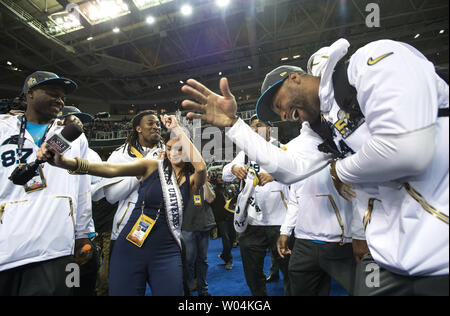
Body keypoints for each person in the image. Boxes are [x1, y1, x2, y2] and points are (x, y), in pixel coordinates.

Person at [181, 38, 449, 295]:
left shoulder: (371, 62)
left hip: (441, 257)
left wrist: (339, 170)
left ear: (294, 78)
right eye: (278, 115)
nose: (284, 116)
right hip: (390, 260)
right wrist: (234, 125)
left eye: (279, 105)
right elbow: (287, 168)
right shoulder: (321, 128)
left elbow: (409, 151)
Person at [37, 114, 207, 296]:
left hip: (167, 250)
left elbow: (202, 168)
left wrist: (177, 129)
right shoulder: (151, 165)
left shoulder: (190, 182)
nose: (173, 152)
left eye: (179, 149)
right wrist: (66, 163)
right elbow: (110, 170)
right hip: (131, 244)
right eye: (169, 148)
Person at [0, 71, 93, 296]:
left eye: (62, 97)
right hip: (6, 246)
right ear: (29, 94)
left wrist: (83, 232)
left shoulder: (72, 136)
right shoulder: (3, 129)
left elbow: (82, 188)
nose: (59, 100)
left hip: (55, 246)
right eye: (52, 93)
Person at [277, 129, 356, 296]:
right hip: (304, 243)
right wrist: (285, 231)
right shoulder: (291, 148)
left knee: (367, 288)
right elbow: (295, 198)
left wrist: (362, 235)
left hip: (342, 242)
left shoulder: (347, 140)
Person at [222, 114, 291, 296]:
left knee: (290, 271)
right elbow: (224, 174)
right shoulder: (245, 152)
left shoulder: (282, 148)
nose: (254, 130)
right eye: (251, 127)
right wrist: (233, 168)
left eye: (258, 125)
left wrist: (276, 175)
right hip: (251, 224)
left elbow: (297, 172)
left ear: (269, 127)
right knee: (252, 273)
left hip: (280, 222)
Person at [94, 110, 164, 258]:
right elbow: (112, 197)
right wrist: (138, 174)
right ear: (138, 128)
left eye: (158, 124)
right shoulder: (120, 155)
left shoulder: (169, 153)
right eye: (150, 123)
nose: (156, 127)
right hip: (128, 227)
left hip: (163, 225)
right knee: (126, 279)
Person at [182, 180, 216, 296]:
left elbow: (210, 198)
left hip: (204, 227)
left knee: (202, 260)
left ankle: (203, 290)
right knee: (189, 262)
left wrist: (204, 181)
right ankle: (189, 290)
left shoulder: (205, 183)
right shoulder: (183, 181)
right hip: (188, 227)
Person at [210, 171, 235, 270]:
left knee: (232, 238)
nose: (221, 178)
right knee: (226, 240)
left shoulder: (229, 189)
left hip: (231, 217)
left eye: (222, 177)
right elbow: (212, 205)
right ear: (216, 178)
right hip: (221, 219)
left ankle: (224, 255)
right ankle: (229, 260)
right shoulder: (214, 190)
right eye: (219, 177)